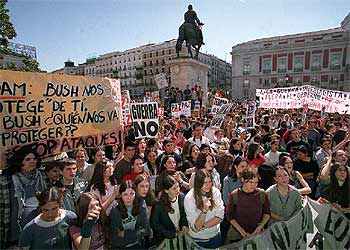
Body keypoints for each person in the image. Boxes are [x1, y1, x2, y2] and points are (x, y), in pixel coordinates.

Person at [9, 147, 47, 244]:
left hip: (39, 222)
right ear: (20, 161)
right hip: (17, 227)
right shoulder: (9, 180)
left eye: (34, 159)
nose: (32, 161)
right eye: (28, 159)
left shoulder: (41, 175)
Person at [226, 169, 270, 243]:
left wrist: (260, 226)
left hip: (257, 234)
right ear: (243, 179)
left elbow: (267, 212)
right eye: (251, 182)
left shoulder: (262, 194)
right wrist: (241, 231)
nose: (254, 185)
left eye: (256, 182)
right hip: (237, 236)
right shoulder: (234, 195)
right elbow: (229, 216)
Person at [184, 169, 224, 248]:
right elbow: (196, 227)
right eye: (205, 182)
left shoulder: (215, 192)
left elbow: (220, 217)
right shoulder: (189, 197)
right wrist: (204, 211)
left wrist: (203, 226)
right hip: (198, 240)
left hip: (215, 236)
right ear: (198, 183)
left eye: (210, 182)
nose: (208, 185)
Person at [110, 180, 150, 249]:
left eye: (132, 193)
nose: (129, 198)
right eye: (125, 194)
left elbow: (147, 229)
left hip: (139, 244)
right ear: (120, 195)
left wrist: (125, 234)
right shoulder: (115, 210)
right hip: (123, 247)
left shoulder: (141, 204)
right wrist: (136, 235)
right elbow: (114, 238)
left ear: (135, 193)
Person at [150, 175, 189, 245]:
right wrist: (170, 234)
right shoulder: (158, 204)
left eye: (178, 187)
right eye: (174, 188)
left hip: (181, 238)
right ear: (166, 190)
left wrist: (184, 225)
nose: (178, 190)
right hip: (166, 241)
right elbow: (155, 224)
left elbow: (184, 214)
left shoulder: (182, 196)